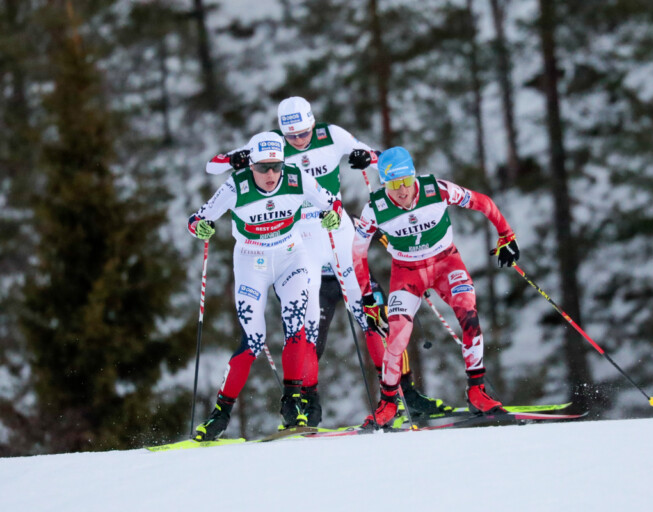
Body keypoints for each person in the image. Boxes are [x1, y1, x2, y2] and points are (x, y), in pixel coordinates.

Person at [205, 97, 450, 426]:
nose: (299, 141)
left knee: (373, 311)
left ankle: (405, 392)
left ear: (312, 123)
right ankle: (305, 404)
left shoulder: (332, 135)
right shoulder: (270, 149)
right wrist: (236, 158)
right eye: (291, 136)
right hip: (299, 238)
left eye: (304, 132)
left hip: (337, 229)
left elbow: (382, 161)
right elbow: (214, 165)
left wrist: (368, 157)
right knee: (305, 328)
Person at [189, 131, 343, 441]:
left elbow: (332, 204)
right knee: (253, 340)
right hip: (251, 261)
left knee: (297, 326)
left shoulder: (297, 177)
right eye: (262, 168)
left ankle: (292, 404)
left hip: (290, 255)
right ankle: (220, 416)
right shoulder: (237, 186)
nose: (270, 175)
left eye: (276, 167)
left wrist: (332, 217)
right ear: (251, 166)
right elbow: (197, 218)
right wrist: (201, 227)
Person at [352, 146, 520, 428]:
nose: (403, 190)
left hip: (446, 264)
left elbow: (482, 202)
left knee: (469, 314)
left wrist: (507, 235)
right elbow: (358, 253)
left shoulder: (437, 189)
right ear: (384, 184)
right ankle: (388, 403)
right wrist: (368, 297)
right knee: (397, 335)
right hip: (407, 273)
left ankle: (477, 391)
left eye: (406, 181)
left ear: (414, 176)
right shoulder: (375, 209)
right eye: (394, 184)